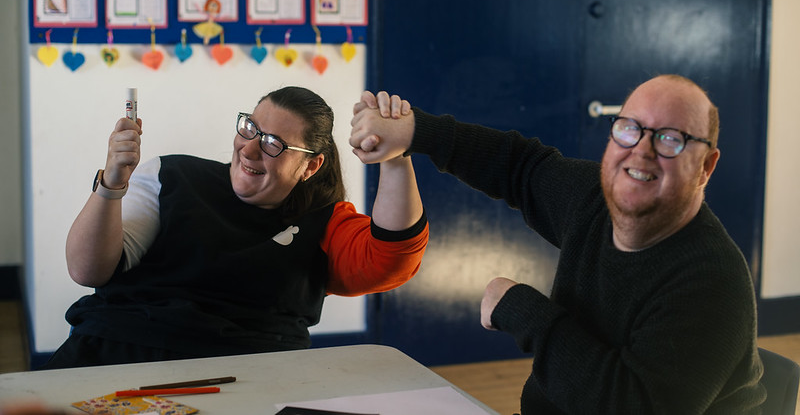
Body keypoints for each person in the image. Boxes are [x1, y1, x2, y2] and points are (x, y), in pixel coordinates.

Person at [349, 75, 765, 414]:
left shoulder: (711, 281)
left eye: (671, 138)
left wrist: (520, 308)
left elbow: (629, 405)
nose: (641, 151)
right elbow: (519, 166)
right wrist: (416, 131)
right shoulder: (595, 201)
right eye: (629, 129)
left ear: (706, 167)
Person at [42, 86, 427, 369]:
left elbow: (391, 258)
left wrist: (396, 156)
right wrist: (111, 183)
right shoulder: (172, 174)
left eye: (274, 143)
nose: (250, 148)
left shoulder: (323, 219)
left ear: (310, 167)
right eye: (250, 128)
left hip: (250, 376)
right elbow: (87, 270)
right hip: (118, 351)